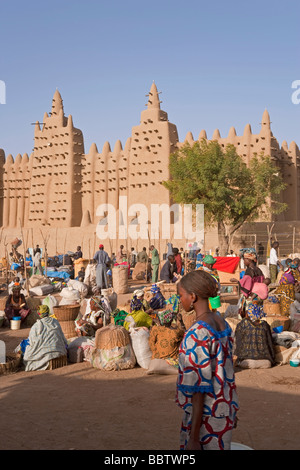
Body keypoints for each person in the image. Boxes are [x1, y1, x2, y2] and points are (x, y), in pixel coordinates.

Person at [176, 270, 239, 450]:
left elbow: (198, 391)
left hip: (205, 418)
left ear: (193, 296)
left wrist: (194, 438)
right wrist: (231, 406)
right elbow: (226, 372)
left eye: (181, 295)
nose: (180, 300)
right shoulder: (221, 323)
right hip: (224, 409)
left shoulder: (197, 334)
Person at [235, 282, 275, 369]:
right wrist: (272, 360)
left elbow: (238, 344)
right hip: (266, 363)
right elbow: (270, 344)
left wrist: (237, 358)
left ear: (248, 313)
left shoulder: (242, 324)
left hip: (247, 362)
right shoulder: (265, 325)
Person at [22, 305, 68, 372]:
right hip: (59, 350)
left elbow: (32, 342)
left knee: (26, 350)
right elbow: (62, 337)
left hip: (45, 352)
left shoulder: (36, 326)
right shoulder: (55, 322)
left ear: (39, 314)